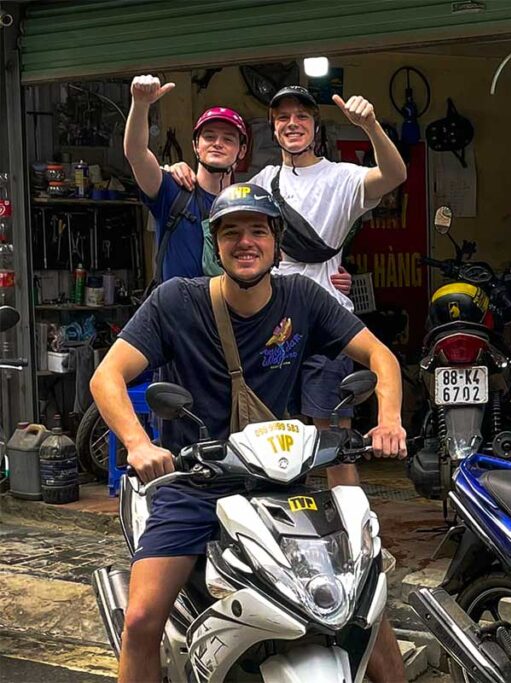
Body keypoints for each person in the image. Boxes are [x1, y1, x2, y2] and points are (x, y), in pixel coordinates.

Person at [90, 184, 408, 683]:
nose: (246, 242)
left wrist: (389, 421)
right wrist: (139, 444)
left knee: (362, 604)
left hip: (282, 483)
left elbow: (380, 357)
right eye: (231, 232)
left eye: (258, 230)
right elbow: (106, 376)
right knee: (142, 619)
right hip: (194, 484)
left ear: (276, 242)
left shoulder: (302, 298)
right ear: (215, 245)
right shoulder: (176, 302)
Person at [170, 85, 406, 488]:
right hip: (267, 323)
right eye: (282, 117)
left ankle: (349, 531)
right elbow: (222, 207)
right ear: (273, 128)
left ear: (316, 127)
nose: (292, 124)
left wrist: (370, 125)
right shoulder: (263, 180)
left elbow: (394, 175)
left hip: (321, 318)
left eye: (302, 116)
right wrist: (180, 169)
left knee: (333, 435)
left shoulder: (341, 177)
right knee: (268, 436)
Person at [125, 74, 248, 281]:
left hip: (225, 312)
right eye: (209, 136)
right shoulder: (172, 190)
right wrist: (140, 104)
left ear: (242, 150)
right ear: (195, 145)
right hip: (176, 312)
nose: (217, 143)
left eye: (228, 139)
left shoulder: (244, 204)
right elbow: (136, 153)